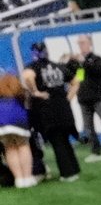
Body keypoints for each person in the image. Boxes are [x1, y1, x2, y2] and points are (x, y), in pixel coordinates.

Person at [23, 42, 80, 182]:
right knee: (65, 140)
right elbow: (77, 80)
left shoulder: (33, 67)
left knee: (57, 141)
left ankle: (67, 173)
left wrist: (35, 92)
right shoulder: (58, 66)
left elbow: (28, 76)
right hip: (64, 109)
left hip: (47, 110)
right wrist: (68, 98)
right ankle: (74, 169)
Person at [72, 35, 101, 152]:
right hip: (84, 99)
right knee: (89, 128)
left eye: (83, 43)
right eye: (79, 43)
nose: (81, 45)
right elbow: (79, 78)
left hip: (98, 98)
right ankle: (96, 150)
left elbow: (97, 71)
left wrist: (84, 62)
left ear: (89, 43)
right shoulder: (79, 63)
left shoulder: (97, 59)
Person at [0, 72, 41, 186]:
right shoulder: (20, 93)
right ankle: (27, 177)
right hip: (19, 123)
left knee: (10, 149)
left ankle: (19, 179)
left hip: (2, 125)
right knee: (23, 147)